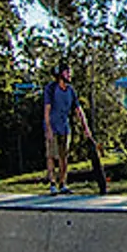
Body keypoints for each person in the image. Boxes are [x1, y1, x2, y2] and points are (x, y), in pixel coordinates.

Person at [42, 63, 93, 195]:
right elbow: (47, 110)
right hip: (52, 127)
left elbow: (78, 110)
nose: (69, 75)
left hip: (65, 127)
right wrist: (48, 129)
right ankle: (52, 183)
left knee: (64, 157)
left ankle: (63, 183)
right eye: (67, 73)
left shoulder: (70, 91)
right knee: (51, 156)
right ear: (60, 74)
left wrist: (85, 128)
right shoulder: (51, 89)